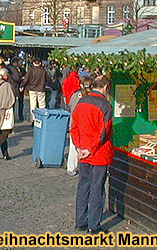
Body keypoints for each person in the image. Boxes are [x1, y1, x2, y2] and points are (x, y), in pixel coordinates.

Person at [70, 76, 113, 234]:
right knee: (97, 189)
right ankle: (94, 225)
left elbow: (74, 127)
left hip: (84, 153)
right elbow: (103, 132)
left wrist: (79, 147)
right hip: (99, 153)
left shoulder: (81, 102)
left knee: (83, 186)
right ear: (106, 87)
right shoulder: (105, 106)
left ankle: (81, 221)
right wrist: (90, 148)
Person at [66, 76, 93, 177]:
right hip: (86, 126)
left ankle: (71, 167)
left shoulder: (75, 96)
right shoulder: (92, 97)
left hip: (74, 124)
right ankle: (84, 167)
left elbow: (70, 107)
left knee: (74, 147)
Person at [6, 57, 24, 121]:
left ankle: (14, 116)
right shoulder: (13, 69)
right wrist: (21, 78)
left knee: (13, 102)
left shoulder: (8, 68)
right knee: (13, 102)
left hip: (12, 87)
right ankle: (14, 116)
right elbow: (16, 78)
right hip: (15, 87)